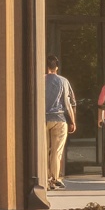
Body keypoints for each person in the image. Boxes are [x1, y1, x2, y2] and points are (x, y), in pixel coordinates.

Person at [40, 57, 75, 190]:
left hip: (42, 118)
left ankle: (44, 179)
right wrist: (72, 121)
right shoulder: (63, 81)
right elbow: (68, 103)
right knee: (56, 151)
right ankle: (54, 178)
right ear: (57, 67)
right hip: (60, 119)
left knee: (43, 150)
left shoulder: (40, 80)